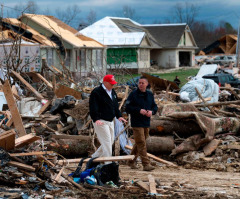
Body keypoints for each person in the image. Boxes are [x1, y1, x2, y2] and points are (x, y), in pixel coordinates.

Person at [89, 74, 127, 164]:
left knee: (110, 141)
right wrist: (96, 118)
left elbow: (115, 106)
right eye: (111, 83)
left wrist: (119, 116)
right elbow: (93, 106)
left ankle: (94, 158)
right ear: (105, 82)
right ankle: (108, 163)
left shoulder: (112, 92)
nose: (113, 85)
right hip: (100, 120)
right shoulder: (96, 92)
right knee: (106, 142)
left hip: (110, 120)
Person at [125, 76, 158, 171]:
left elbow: (155, 106)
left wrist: (152, 112)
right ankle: (146, 164)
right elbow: (127, 108)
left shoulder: (149, 94)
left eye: (143, 83)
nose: (140, 84)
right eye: (139, 83)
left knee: (139, 143)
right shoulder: (133, 94)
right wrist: (138, 110)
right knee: (141, 143)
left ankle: (130, 161)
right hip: (136, 122)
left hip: (146, 122)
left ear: (147, 84)